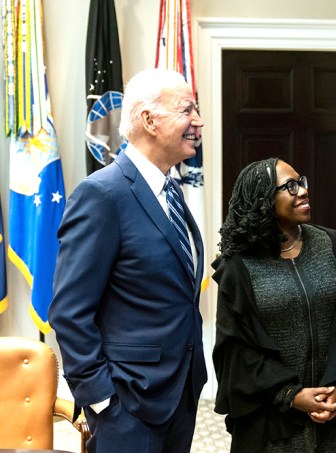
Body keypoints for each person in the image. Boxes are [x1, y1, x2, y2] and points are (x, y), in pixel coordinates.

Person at [49, 68, 207, 453]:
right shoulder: (102, 195)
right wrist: (102, 400)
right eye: (187, 110)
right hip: (128, 404)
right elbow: (70, 311)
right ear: (150, 120)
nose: (198, 121)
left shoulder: (170, 191)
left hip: (179, 393)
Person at [212, 158, 336, 452]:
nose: (302, 191)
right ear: (263, 199)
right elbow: (236, 354)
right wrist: (291, 395)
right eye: (290, 186)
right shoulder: (239, 267)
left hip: (333, 416)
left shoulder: (332, 246)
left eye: (301, 182)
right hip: (272, 424)